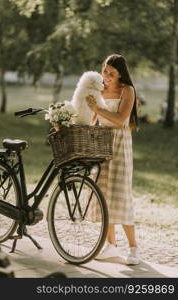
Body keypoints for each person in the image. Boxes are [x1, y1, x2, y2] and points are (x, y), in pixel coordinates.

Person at [86, 54, 140, 265]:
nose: (106, 76)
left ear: (120, 74)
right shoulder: (99, 89)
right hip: (101, 144)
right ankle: (111, 246)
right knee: (103, 196)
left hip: (119, 145)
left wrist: (98, 109)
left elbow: (119, 120)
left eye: (111, 73)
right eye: (104, 71)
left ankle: (134, 248)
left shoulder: (127, 90)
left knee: (120, 196)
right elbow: (93, 120)